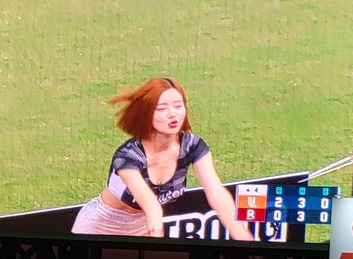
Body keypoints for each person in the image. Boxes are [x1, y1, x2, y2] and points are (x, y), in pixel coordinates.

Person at [71, 77, 253, 240]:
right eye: (161, 108)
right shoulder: (129, 156)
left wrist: (246, 242)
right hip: (99, 229)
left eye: (178, 106)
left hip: (141, 229)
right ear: (147, 113)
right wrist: (157, 243)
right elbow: (151, 206)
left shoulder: (192, 146)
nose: (172, 114)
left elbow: (217, 194)